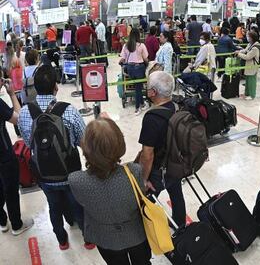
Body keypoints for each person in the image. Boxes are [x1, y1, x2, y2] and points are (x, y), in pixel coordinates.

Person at [18, 65, 93, 250]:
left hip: (43, 174)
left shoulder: (25, 113)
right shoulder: (69, 111)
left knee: (54, 207)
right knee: (77, 204)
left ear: (35, 87)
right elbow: (84, 143)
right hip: (70, 174)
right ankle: (88, 239)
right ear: (56, 87)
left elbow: (29, 144)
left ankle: (62, 241)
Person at [69, 117, 151, 265]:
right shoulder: (134, 171)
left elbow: (83, 202)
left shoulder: (76, 180)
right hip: (136, 234)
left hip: (105, 237)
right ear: (120, 144)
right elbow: (139, 198)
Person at [136, 71, 186, 227]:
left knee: (147, 198)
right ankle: (180, 224)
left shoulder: (152, 118)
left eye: (148, 86)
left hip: (160, 169)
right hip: (176, 163)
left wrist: (144, 179)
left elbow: (148, 154)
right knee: (176, 194)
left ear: (153, 92)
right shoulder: (177, 107)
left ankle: (142, 226)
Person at [0, 72, 34, 236]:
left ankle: (2, 221)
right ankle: (16, 225)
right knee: (10, 189)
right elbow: (20, 119)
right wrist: (13, 94)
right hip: (4, 155)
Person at [119, 28, 149, 115]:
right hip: (139, 69)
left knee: (137, 86)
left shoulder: (126, 45)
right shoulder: (141, 45)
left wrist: (120, 62)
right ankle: (137, 108)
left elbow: (123, 59)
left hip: (130, 69)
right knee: (138, 88)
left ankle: (142, 103)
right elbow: (145, 58)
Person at [235, 31, 260, 100]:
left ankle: (252, 95)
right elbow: (245, 50)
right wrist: (239, 51)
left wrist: (239, 54)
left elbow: (247, 57)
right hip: (248, 65)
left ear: (252, 38)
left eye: (248, 36)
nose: (247, 38)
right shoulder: (250, 44)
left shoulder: (255, 48)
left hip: (253, 65)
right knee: (248, 80)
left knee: (252, 81)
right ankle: (246, 93)